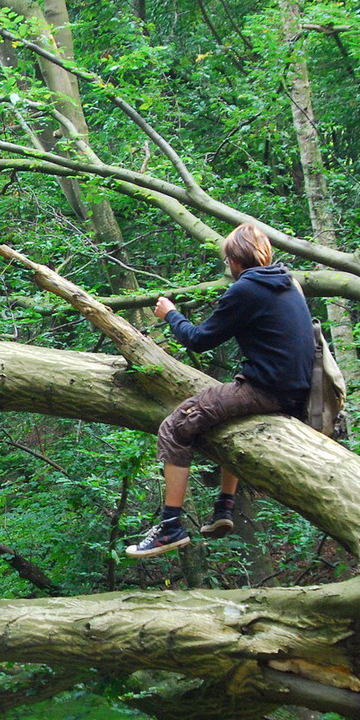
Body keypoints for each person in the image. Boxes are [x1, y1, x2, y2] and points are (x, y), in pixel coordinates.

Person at [126, 223, 316, 558]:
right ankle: (224, 508)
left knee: (175, 425)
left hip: (267, 390)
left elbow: (199, 340)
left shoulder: (247, 289)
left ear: (235, 261)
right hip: (296, 393)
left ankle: (170, 526)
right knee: (223, 420)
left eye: (227, 260)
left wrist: (171, 314)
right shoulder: (288, 283)